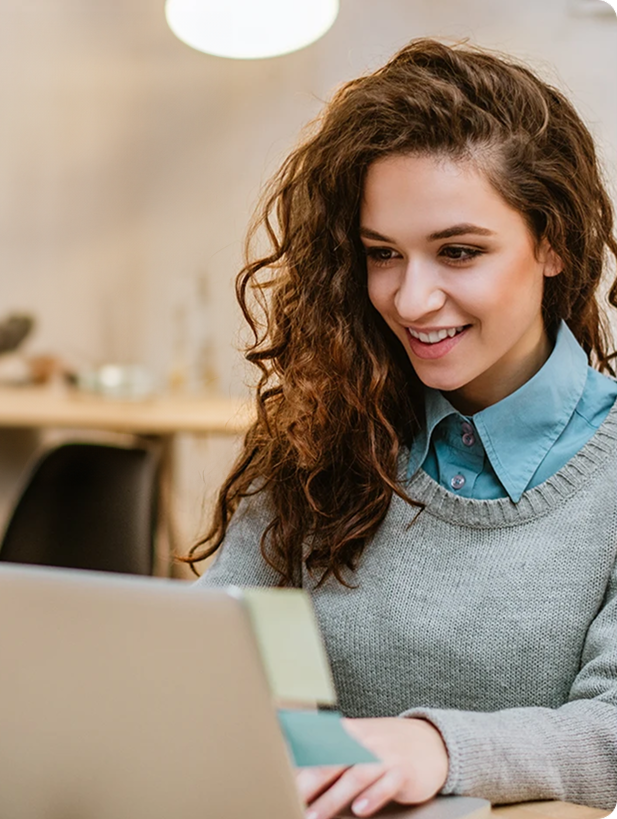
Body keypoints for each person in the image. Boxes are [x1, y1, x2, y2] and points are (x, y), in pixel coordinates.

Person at [184, 38, 617, 818]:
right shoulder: (324, 430)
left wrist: (441, 747)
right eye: (383, 254)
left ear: (553, 242)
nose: (412, 300)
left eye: (458, 251)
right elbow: (223, 652)